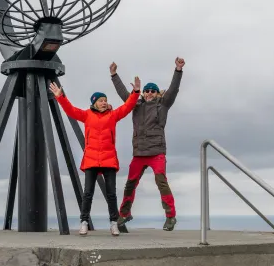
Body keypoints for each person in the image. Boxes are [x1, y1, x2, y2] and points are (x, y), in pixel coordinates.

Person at [49, 77, 141, 237]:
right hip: (91, 159)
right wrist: (60, 96)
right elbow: (70, 110)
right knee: (88, 193)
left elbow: (127, 107)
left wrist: (136, 92)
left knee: (111, 193)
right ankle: (83, 222)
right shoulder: (86, 115)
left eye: (105, 100)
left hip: (109, 160)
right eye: (100, 100)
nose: (104, 102)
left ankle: (114, 223)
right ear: (94, 103)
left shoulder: (112, 115)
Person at [109, 57, 185, 231]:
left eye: (153, 90)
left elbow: (173, 89)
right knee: (130, 183)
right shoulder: (135, 105)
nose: (149, 92)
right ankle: (125, 213)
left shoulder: (163, 105)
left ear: (158, 94)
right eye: (147, 90)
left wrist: (178, 70)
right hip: (139, 153)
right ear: (143, 93)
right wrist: (114, 75)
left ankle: (170, 217)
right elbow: (123, 94)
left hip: (157, 151)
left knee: (161, 181)